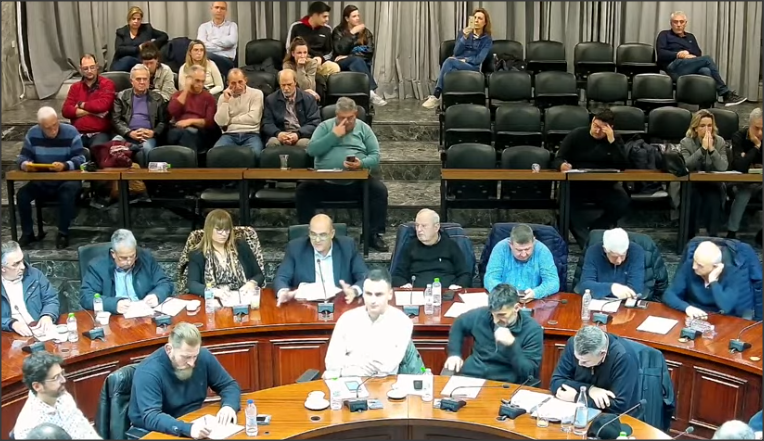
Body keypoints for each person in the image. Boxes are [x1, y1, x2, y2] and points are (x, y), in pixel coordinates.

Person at [300, 97, 389, 251]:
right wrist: (334, 135)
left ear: (356, 114)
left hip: (355, 183)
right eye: (342, 118)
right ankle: (307, 235)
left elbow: (375, 156)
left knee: (379, 191)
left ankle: (372, 235)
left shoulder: (364, 128)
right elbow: (311, 150)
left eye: (350, 118)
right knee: (303, 191)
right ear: (336, 115)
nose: (346, 122)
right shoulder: (325, 127)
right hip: (325, 183)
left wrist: (361, 163)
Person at [129, 322, 241, 439]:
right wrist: (188, 429)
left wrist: (229, 406)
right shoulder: (148, 372)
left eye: (195, 356)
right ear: (169, 349)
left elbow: (228, 385)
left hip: (193, 420)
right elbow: (152, 417)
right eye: (186, 357)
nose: (192, 363)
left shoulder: (203, 356)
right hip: (156, 430)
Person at [552, 109, 631, 245]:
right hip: (576, 185)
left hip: (604, 185)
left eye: (602, 129)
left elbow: (623, 165)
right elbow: (558, 159)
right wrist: (562, 165)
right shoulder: (577, 135)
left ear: (610, 128)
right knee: (567, 207)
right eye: (595, 125)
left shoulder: (614, 140)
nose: (597, 131)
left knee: (622, 202)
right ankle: (587, 243)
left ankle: (596, 229)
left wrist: (612, 142)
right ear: (592, 121)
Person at [444, 284, 543, 384]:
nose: (496, 321)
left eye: (501, 315)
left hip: (505, 381)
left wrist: (512, 345)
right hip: (474, 372)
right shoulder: (482, 314)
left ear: (516, 308)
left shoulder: (532, 330)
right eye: (493, 314)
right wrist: (454, 353)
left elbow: (529, 373)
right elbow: (459, 323)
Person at [16, 107, 85, 249]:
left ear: (58, 121)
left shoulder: (71, 132)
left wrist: (65, 165)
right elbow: (23, 157)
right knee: (22, 195)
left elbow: (81, 158)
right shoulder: (33, 133)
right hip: (42, 180)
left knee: (67, 192)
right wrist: (25, 165)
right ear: (40, 126)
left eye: (55, 125)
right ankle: (28, 233)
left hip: (67, 180)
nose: (53, 130)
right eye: (48, 128)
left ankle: (63, 233)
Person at [324, 268, 413, 378]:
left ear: (390, 294)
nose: (372, 300)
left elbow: (385, 368)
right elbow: (331, 363)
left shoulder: (403, 322)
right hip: (347, 382)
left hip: (383, 384)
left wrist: (346, 365)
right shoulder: (347, 319)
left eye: (378, 294)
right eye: (368, 294)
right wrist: (360, 365)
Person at [274, 214, 368, 306]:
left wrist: (354, 291)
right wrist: (283, 292)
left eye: (322, 235)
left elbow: (364, 276)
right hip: (305, 305)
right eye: (313, 234)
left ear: (332, 234)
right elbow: (281, 277)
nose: (317, 240)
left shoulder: (347, 246)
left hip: (341, 304)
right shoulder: (296, 248)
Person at [656, 11, 746, 107]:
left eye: (681, 22)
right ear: (671, 23)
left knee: (705, 70)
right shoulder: (664, 35)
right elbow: (661, 54)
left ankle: (704, 109)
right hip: (673, 67)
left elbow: (698, 53)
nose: (678, 24)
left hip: (689, 66)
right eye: (675, 22)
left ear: (685, 23)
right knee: (707, 59)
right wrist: (679, 54)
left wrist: (689, 56)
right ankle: (725, 93)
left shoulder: (690, 37)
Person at [550, 325, 640, 414]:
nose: (579, 363)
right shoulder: (573, 344)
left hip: (615, 417)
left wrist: (577, 397)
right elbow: (556, 382)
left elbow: (618, 405)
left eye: (585, 361)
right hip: (579, 411)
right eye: (577, 358)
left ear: (602, 353)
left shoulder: (624, 358)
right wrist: (590, 390)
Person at [80, 229, 174, 315]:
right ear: (113, 254)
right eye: (123, 258)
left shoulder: (146, 258)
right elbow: (86, 297)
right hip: (114, 317)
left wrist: (157, 295)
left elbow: (165, 282)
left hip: (144, 315)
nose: (129, 261)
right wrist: (114, 304)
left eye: (132, 256)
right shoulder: (97, 266)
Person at [12, 351, 101, 439]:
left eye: (62, 373)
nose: (63, 380)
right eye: (55, 377)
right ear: (37, 386)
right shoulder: (30, 429)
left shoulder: (63, 396)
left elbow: (85, 429)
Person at [422, 8, 492, 109]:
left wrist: (465, 60)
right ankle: (450, 104)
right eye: (475, 17)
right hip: (457, 63)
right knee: (451, 67)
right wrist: (464, 37)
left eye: (480, 18)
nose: (476, 20)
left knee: (449, 61)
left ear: (485, 23)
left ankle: (436, 95)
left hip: (472, 66)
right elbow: (456, 52)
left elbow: (479, 60)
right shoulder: (463, 33)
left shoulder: (487, 40)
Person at [186, 209, 264, 297]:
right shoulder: (197, 254)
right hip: (213, 300)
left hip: (241, 297)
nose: (224, 234)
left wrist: (252, 283)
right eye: (219, 230)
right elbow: (192, 284)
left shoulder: (241, 247)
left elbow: (259, 275)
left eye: (227, 229)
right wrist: (212, 292)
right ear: (209, 229)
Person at [663, 240, 748, 319]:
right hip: (693, 317)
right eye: (694, 260)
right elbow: (668, 295)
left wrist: (713, 281)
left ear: (715, 266)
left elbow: (726, 307)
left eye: (700, 265)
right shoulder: (689, 266)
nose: (694, 266)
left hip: (719, 319)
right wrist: (687, 308)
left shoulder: (732, 274)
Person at [391, 208, 472, 289]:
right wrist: (404, 285)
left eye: (424, 226)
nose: (419, 230)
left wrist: (458, 286)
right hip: (416, 293)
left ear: (436, 227)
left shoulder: (450, 245)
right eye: (417, 225)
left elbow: (465, 274)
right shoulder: (410, 246)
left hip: (447, 293)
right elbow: (397, 275)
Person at [680, 109, 728, 237]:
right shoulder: (686, 142)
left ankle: (713, 237)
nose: (707, 129)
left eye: (709, 126)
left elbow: (723, 167)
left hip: (712, 183)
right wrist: (702, 149)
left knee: (714, 198)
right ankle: (689, 236)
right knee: (692, 198)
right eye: (702, 126)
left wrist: (711, 150)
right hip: (691, 184)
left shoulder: (720, 142)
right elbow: (686, 165)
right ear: (695, 128)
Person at [483, 224, 559, 300]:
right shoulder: (500, 248)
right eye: (519, 250)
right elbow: (490, 279)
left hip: (534, 301)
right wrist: (506, 294)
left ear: (534, 242)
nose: (523, 254)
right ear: (510, 244)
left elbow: (553, 282)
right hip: (504, 300)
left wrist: (536, 293)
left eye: (527, 249)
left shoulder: (542, 251)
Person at [1, 240, 60, 336]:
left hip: (39, 330)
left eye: (22, 260)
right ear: (2, 268)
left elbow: (51, 299)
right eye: (16, 264)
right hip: (9, 335)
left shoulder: (35, 275)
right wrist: (12, 324)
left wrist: (47, 315)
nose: (22, 266)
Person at [331, 5, 387, 106]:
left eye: (358, 16)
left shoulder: (365, 32)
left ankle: (369, 94)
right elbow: (340, 50)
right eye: (354, 16)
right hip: (341, 62)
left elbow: (369, 51)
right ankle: (371, 93)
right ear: (347, 18)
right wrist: (352, 33)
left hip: (358, 61)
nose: (357, 18)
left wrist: (349, 56)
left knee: (357, 61)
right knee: (357, 60)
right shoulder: (338, 31)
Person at [61, 54, 115, 148]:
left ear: (97, 66)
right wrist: (93, 111)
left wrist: (80, 104)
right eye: (85, 68)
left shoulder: (107, 84)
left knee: (97, 149)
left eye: (92, 67)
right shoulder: (75, 87)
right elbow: (66, 111)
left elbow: (103, 106)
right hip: (78, 132)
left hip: (100, 132)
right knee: (67, 149)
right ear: (80, 69)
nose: (89, 71)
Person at [111, 64, 167, 154]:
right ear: (131, 81)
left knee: (147, 149)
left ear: (149, 81)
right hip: (126, 135)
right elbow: (116, 120)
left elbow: (163, 122)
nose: (142, 82)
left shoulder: (158, 98)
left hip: (147, 137)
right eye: (138, 79)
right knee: (113, 147)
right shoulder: (121, 96)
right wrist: (129, 133)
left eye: (145, 79)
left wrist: (153, 133)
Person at [578, 228, 646, 300]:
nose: (619, 261)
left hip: (624, 303)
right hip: (598, 301)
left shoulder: (636, 252)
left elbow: (635, 290)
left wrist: (600, 290)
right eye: (614, 257)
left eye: (623, 255)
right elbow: (585, 287)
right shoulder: (593, 251)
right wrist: (611, 288)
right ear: (605, 250)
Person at [262, 69, 321, 149]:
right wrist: (278, 133)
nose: (286, 88)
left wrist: (298, 134)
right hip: (280, 134)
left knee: (304, 144)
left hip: (301, 135)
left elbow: (314, 122)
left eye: (289, 84)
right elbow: (267, 123)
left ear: (295, 82)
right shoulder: (271, 99)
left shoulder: (308, 98)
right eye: (283, 85)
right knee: (272, 143)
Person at [728, 107, 763, 242]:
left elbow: (746, 162)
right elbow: (740, 166)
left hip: (760, 184)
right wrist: (756, 146)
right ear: (750, 124)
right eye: (756, 128)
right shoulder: (739, 137)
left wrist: (747, 157)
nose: (760, 133)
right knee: (744, 193)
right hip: (740, 182)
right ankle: (731, 233)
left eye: (763, 129)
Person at [212, 68, 265, 155]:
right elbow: (221, 122)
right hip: (229, 135)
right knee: (215, 154)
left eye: (240, 82)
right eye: (233, 83)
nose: (237, 86)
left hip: (251, 134)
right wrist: (226, 101)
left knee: (256, 154)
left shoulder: (257, 94)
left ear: (245, 80)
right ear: (228, 83)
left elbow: (254, 118)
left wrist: (230, 120)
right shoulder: (223, 97)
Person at [167, 65, 217, 152]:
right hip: (178, 129)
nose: (200, 84)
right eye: (197, 80)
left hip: (199, 132)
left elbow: (210, 122)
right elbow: (172, 111)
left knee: (186, 135)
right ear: (188, 79)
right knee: (176, 134)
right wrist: (186, 89)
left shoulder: (209, 98)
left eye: (202, 81)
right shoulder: (178, 95)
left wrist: (189, 121)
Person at [286, 1, 341, 77]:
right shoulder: (296, 26)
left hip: (318, 63)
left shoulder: (327, 29)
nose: (327, 19)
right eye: (324, 16)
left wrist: (320, 58)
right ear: (315, 15)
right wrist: (302, 59)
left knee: (334, 67)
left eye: (328, 17)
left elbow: (329, 52)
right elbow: (289, 48)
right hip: (299, 62)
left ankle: (317, 79)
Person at [112, 6, 169, 73]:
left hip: (141, 61)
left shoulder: (147, 29)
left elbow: (164, 36)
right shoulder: (121, 31)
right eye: (133, 19)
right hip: (122, 61)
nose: (136, 21)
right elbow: (119, 49)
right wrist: (138, 48)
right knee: (128, 60)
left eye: (138, 19)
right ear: (129, 19)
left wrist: (150, 45)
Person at [196, 1, 238, 79]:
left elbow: (232, 41)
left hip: (226, 61)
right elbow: (201, 45)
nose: (219, 10)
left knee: (206, 55)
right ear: (211, 9)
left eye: (222, 8)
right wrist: (222, 47)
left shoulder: (232, 26)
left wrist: (211, 42)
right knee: (195, 53)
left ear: (226, 11)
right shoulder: (203, 27)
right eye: (216, 7)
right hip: (207, 60)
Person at [283, 37, 322, 102]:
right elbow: (289, 87)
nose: (302, 56)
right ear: (293, 53)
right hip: (292, 97)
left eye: (305, 52)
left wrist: (300, 68)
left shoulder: (312, 63)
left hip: (308, 97)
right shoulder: (287, 65)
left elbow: (308, 87)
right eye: (299, 53)